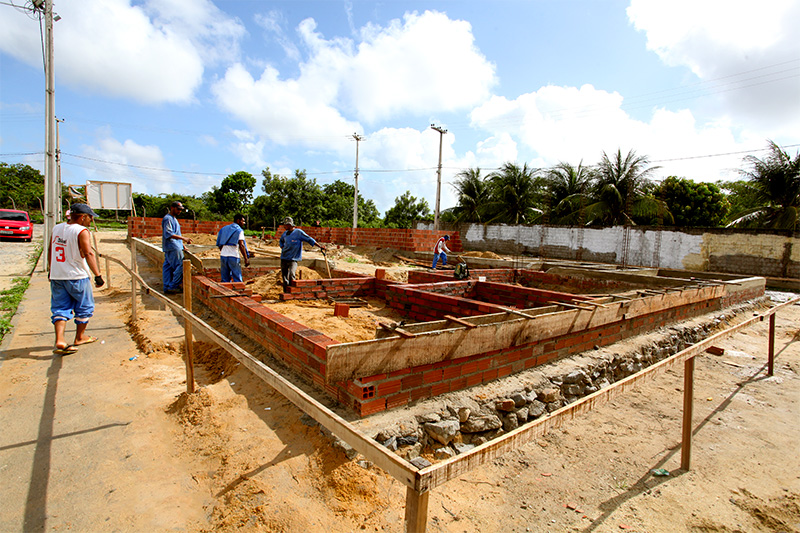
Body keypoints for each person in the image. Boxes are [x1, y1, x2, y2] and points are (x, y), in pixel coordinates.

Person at [49, 203, 105, 355]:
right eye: (90, 217)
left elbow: (50, 250)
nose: (91, 221)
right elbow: (88, 253)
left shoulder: (57, 228)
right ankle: (79, 337)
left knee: (60, 307)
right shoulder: (82, 231)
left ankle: (60, 339)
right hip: (77, 276)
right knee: (84, 307)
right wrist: (98, 275)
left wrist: (50, 270)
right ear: (83, 217)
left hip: (57, 275)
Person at [279, 216, 326, 292]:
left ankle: (292, 291)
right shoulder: (285, 233)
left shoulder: (298, 233)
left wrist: (320, 246)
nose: (284, 226)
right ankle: (286, 292)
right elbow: (281, 241)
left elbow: (309, 239)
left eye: (285, 225)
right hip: (284, 257)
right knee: (284, 277)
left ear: (289, 225)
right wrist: (282, 246)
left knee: (291, 274)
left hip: (293, 259)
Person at [162, 201, 192, 294]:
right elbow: (169, 233)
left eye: (181, 210)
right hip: (173, 247)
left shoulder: (173, 219)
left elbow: (177, 233)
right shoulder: (168, 219)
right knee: (180, 265)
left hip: (173, 246)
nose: (179, 211)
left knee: (167, 266)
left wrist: (182, 245)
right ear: (172, 208)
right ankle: (173, 286)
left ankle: (167, 286)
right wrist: (184, 238)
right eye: (178, 209)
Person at [216, 214, 250, 283]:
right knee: (237, 278)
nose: (244, 223)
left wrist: (224, 250)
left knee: (225, 279)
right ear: (238, 221)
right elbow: (241, 245)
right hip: (234, 256)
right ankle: (239, 292)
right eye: (243, 221)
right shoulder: (239, 230)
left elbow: (219, 244)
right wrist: (246, 258)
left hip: (223, 256)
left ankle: (225, 292)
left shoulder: (223, 229)